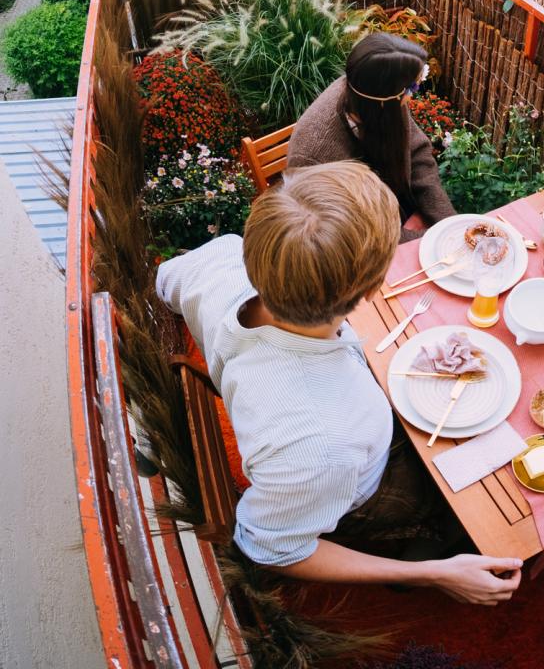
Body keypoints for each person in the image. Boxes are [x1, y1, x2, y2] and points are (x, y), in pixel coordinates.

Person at [156, 162, 521, 604]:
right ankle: (431, 546)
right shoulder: (326, 448)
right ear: (371, 293)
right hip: (364, 490)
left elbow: (164, 285)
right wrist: (434, 573)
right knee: (498, 470)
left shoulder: (222, 259)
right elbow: (271, 548)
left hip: (321, 436)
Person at [287, 32, 455, 241]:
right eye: (412, 88)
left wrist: (448, 223)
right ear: (383, 101)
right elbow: (349, 231)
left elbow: (417, 154)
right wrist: (427, 240)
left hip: (396, 209)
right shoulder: (315, 157)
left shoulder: (380, 95)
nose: (413, 96)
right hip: (360, 240)